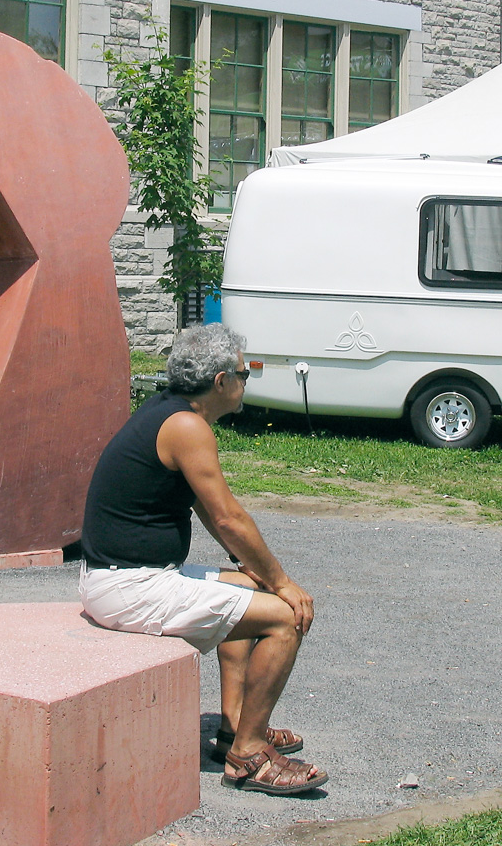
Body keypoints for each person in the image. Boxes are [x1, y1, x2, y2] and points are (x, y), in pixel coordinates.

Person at [79, 323, 327, 796]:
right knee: (285, 617)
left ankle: (234, 726)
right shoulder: (186, 426)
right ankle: (249, 756)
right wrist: (283, 583)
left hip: (121, 578)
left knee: (248, 590)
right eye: (244, 372)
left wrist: (253, 570)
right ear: (220, 382)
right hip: (130, 587)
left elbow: (209, 509)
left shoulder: (168, 413)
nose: (246, 380)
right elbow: (230, 517)